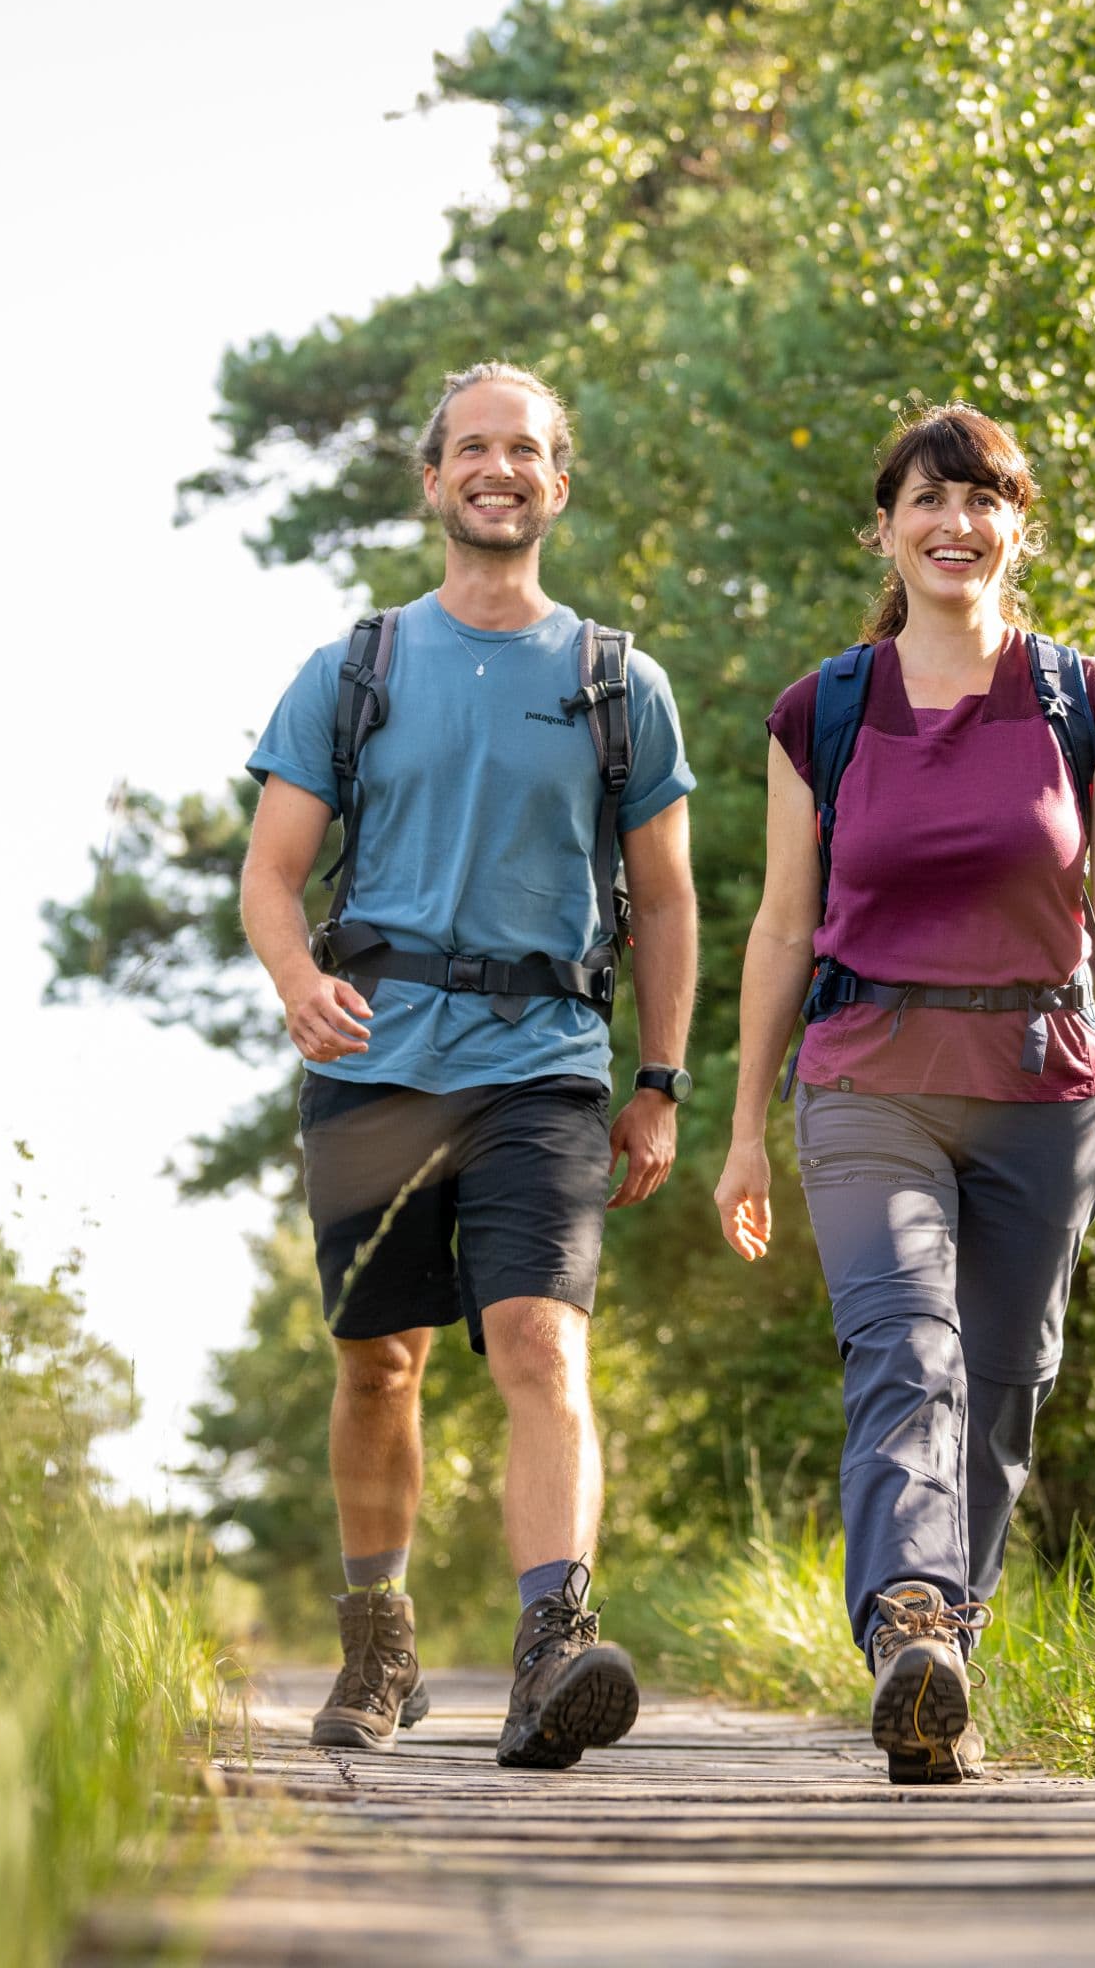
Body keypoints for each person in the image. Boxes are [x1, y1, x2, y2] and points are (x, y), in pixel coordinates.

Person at [240, 361, 698, 1770]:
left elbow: (670, 899)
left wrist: (662, 1083)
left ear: (558, 485)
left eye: (527, 452)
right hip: (377, 1065)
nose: (498, 470)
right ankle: (379, 1639)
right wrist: (297, 979)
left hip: (543, 1070)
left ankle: (552, 1641)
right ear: (435, 482)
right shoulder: (354, 669)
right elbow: (270, 872)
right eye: (472, 450)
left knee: (540, 1343)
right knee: (381, 1364)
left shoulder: (619, 682)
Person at [711, 403, 1095, 1784]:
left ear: (1017, 527)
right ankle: (909, 1620)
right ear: (887, 529)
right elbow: (786, 926)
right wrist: (741, 1130)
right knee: (906, 1349)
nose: (954, 525)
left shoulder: (1084, 697)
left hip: (1040, 1082)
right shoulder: (823, 710)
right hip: (867, 1078)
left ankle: (941, 1670)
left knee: (1007, 1381)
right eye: (928, 500)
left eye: (981, 502)